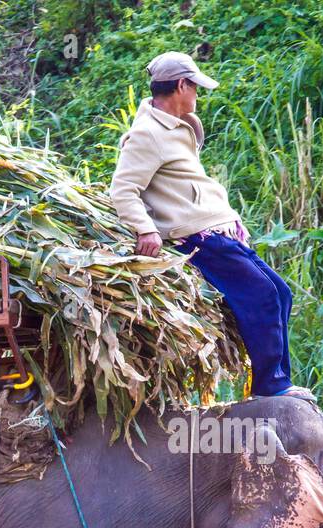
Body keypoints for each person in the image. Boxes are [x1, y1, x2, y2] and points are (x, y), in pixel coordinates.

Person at [109, 51, 311, 401]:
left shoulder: (179, 125)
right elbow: (124, 188)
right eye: (195, 88)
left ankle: (275, 380)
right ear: (182, 85)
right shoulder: (147, 134)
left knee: (280, 293)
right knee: (263, 295)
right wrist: (146, 229)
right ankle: (271, 387)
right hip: (196, 238)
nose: (198, 95)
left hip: (219, 232)